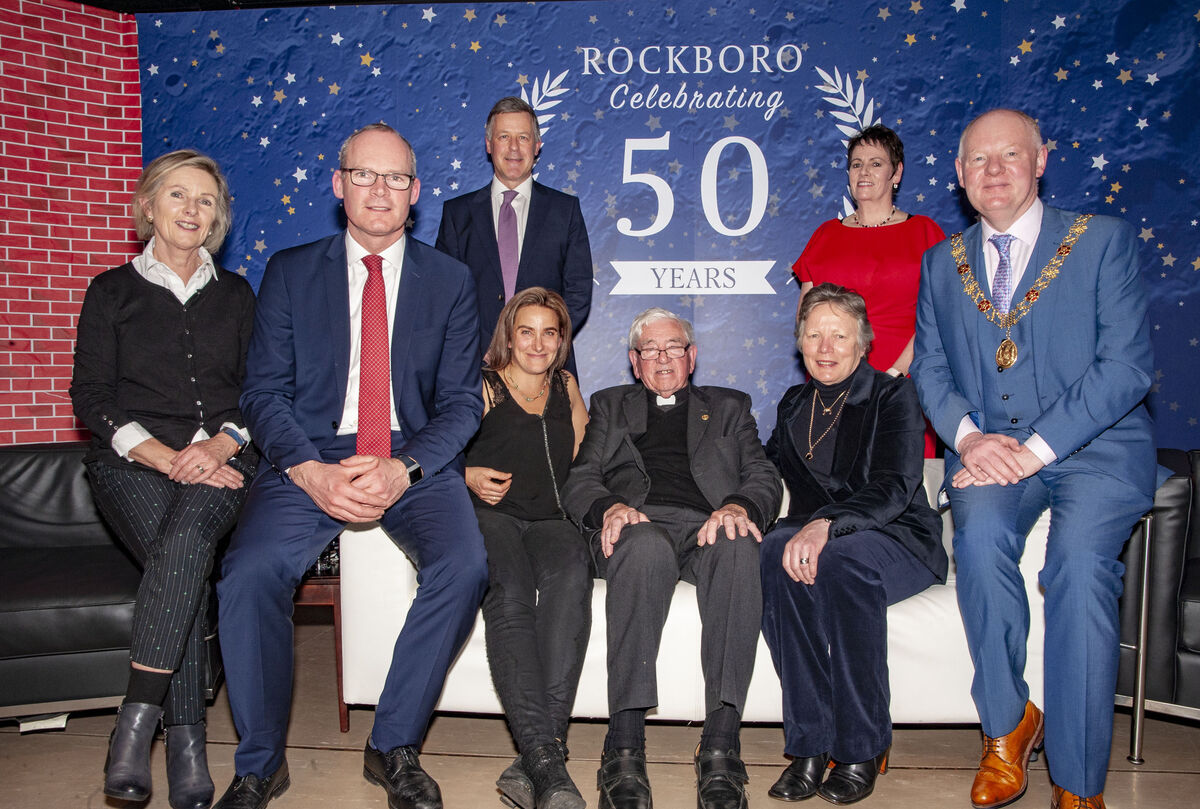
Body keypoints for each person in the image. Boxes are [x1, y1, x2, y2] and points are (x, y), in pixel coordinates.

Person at [214, 124, 488, 809]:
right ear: (338, 185)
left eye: (396, 179)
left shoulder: (451, 280)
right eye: (364, 175)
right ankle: (258, 763)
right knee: (248, 572)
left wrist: (405, 467)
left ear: (416, 193)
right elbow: (264, 393)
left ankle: (392, 742)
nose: (379, 191)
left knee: (464, 565)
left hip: (411, 452)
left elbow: (460, 403)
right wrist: (309, 470)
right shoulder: (289, 270)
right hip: (311, 453)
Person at [911, 109, 1157, 809]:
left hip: (1098, 448)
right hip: (990, 450)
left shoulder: (1102, 241)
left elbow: (1127, 368)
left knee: (1078, 568)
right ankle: (1007, 722)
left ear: (1041, 159)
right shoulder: (941, 261)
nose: (994, 170)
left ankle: (1078, 785)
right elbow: (930, 367)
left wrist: (1037, 450)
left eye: (1009, 156)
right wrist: (966, 437)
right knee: (979, 536)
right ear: (958, 175)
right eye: (978, 160)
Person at [70, 149, 257, 809]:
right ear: (148, 205)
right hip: (130, 463)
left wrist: (219, 445)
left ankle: (136, 724)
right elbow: (90, 396)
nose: (192, 210)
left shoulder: (237, 295)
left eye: (205, 201)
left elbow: (258, 392)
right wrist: (159, 454)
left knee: (181, 545)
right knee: (183, 554)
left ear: (218, 218)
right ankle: (186, 741)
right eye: (178, 196)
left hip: (224, 461)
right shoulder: (110, 291)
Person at [562, 308, 782, 809]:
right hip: (638, 524)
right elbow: (581, 479)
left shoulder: (729, 406)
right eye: (650, 351)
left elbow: (762, 475)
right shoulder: (610, 405)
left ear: (693, 356)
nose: (663, 358)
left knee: (739, 544)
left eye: (674, 348)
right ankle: (623, 746)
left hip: (707, 524)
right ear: (635, 363)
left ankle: (722, 746)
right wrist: (611, 508)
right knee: (643, 548)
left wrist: (737, 507)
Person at [759, 284, 947, 805]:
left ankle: (861, 745)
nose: (825, 346)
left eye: (838, 335)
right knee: (774, 551)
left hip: (895, 537)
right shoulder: (794, 402)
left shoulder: (893, 396)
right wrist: (733, 505)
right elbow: (766, 472)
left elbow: (893, 487)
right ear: (799, 343)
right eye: (814, 334)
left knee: (840, 560)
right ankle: (810, 744)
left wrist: (827, 524)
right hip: (821, 537)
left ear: (862, 344)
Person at [465, 287, 592, 809]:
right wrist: (465, 475)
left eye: (550, 332)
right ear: (509, 337)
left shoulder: (566, 385)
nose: (538, 343)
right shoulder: (484, 386)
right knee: (511, 593)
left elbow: (585, 461)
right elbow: (432, 447)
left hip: (552, 520)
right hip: (492, 517)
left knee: (571, 583)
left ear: (562, 340)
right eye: (526, 331)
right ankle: (546, 759)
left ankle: (538, 759)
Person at [792, 124, 944, 454]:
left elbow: (937, 320)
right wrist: (833, 374)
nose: (864, 172)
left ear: (897, 172)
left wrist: (892, 378)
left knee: (899, 480)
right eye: (856, 163)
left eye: (876, 163)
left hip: (905, 382)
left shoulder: (925, 233)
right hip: (834, 381)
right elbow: (805, 322)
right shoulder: (826, 235)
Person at [437, 96, 593, 372]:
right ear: (488, 145)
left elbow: (578, 291)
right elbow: (444, 294)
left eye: (522, 137)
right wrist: (480, 348)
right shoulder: (457, 214)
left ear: (537, 146)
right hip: (476, 368)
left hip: (546, 366)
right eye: (504, 136)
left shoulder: (565, 210)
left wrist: (543, 344)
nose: (513, 147)